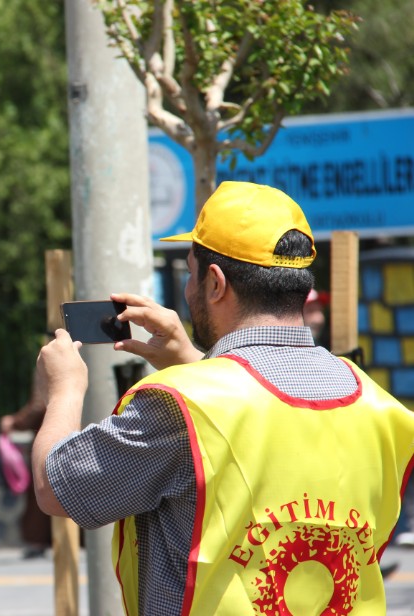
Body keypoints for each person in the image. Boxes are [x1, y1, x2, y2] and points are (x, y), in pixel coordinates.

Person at [31, 181, 414, 614]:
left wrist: (64, 389)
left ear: (215, 283)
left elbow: (54, 487)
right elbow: (280, 428)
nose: (188, 289)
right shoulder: (378, 404)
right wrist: (198, 362)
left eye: (191, 273)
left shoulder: (178, 405)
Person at [0, 394, 51, 559]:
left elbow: (38, 404)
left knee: (40, 494)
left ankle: (37, 540)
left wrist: (16, 422)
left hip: (50, 439)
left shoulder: (46, 367)